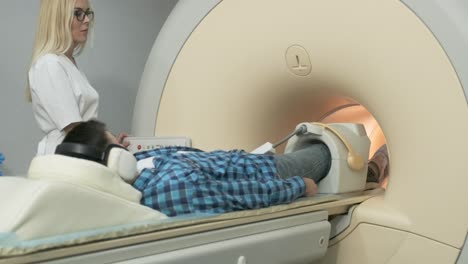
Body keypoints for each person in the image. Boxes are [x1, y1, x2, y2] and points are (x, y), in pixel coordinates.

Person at [61, 120, 336, 217]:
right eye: (115, 147)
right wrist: (298, 186)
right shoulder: (168, 189)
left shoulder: (138, 170)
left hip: (251, 160)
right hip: (270, 173)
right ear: (112, 163)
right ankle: (374, 168)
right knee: (329, 151)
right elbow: (238, 195)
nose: (124, 151)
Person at [27, 0, 127, 155]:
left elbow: (82, 126)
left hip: (79, 153)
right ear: (58, 18)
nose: (87, 20)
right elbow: (73, 126)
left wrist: (108, 141)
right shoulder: (49, 63)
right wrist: (108, 140)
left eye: (87, 13)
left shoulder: (67, 64)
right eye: (78, 14)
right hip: (64, 158)